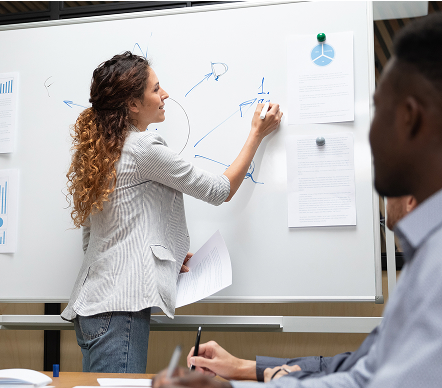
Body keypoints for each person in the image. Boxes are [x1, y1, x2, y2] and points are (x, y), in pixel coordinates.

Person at [153, 12, 442, 388]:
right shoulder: (426, 257)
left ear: (409, 120)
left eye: (376, 112)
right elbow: (362, 371)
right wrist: (251, 371)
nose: (367, 135)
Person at [61, 51, 283, 373]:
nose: (165, 95)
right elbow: (219, 190)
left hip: (97, 308)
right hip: (119, 310)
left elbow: (95, 237)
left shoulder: (108, 149)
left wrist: (159, 259)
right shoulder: (142, 148)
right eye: (156, 88)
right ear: (133, 104)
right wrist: (256, 134)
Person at [185, 196, 417, 383]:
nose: (383, 199)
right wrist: (242, 367)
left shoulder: (428, 283)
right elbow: (350, 365)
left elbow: (364, 380)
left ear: (411, 201)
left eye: (391, 188)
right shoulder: (419, 273)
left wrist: (282, 380)